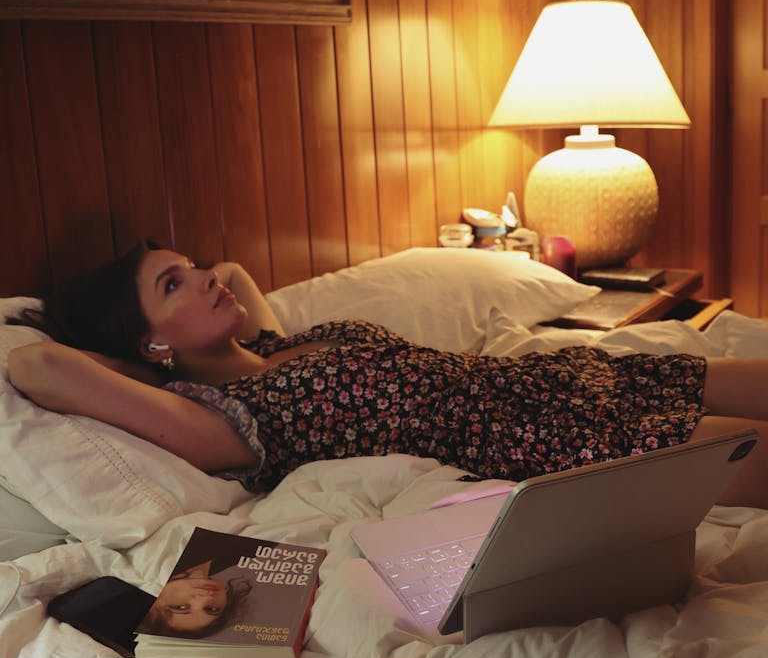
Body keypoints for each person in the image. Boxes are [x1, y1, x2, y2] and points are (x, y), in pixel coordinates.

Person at [7, 240, 768, 508]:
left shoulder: (273, 346)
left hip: (556, 380)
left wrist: (186, 303)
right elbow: (37, 363)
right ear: (148, 345)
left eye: (190, 263)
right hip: (549, 444)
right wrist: (126, 362)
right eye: (173, 284)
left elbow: (234, 272)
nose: (205, 276)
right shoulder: (226, 422)